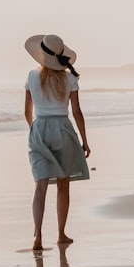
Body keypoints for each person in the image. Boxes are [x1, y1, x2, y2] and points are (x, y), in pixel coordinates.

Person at [24, 34, 91, 250]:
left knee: (40, 186)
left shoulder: (31, 77)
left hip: (40, 128)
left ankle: (37, 236)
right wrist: (84, 140)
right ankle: (61, 234)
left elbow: (27, 111)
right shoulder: (70, 79)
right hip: (63, 129)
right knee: (63, 185)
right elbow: (77, 111)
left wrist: (35, 130)